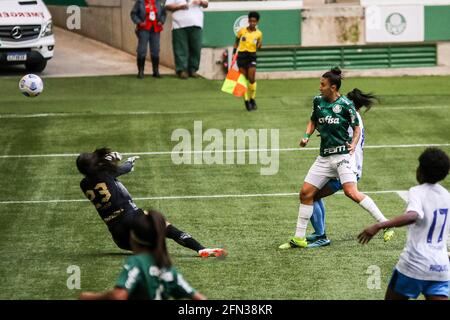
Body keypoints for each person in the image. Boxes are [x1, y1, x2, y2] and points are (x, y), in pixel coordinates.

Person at [279, 67, 394, 250]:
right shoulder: (322, 103)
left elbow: (353, 132)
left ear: (333, 87)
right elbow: (319, 121)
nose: (319, 87)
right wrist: (310, 135)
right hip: (329, 157)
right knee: (308, 194)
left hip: (346, 161)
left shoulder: (348, 111)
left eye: (322, 84)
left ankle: (324, 235)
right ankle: (307, 237)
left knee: (344, 193)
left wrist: (349, 141)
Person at [76, 147, 225, 258]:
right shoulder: (105, 173)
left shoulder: (84, 184)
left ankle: (149, 248)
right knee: (164, 225)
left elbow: (103, 175)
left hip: (118, 236)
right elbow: (126, 168)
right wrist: (127, 161)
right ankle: (200, 248)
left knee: (150, 249)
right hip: (132, 218)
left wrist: (111, 160)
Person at [358, 148, 450, 300]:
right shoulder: (447, 196)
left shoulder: (417, 191)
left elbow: (413, 216)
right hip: (440, 268)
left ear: (421, 170)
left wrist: (379, 225)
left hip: (414, 264)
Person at [80, 209, 206, 300]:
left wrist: (92, 297)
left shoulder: (137, 263)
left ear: (132, 237)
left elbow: (118, 295)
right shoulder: (167, 267)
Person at [307, 89, 378, 248]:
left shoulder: (348, 115)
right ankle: (319, 233)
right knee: (313, 196)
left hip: (344, 168)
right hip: (352, 166)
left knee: (309, 196)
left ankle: (321, 236)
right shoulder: (356, 118)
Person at [165, 0, 208, 79]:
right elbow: (167, 6)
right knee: (180, 48)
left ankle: (193, 70)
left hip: (196, 23)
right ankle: (182, 70)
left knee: (196, 48)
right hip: (179, 25)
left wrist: (200, 2)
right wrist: (179, 7)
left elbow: (206, 4)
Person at [233, 11, 263, 111]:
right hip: (241, 56)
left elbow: (259, 45)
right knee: (244, 79)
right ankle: (246, 101)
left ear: (257, 22)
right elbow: (236, 42)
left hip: (252, 56)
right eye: (251, 21)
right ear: (248, 21)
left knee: (251, 78)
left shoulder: (259, 33)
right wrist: (234, 53)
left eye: (254, 21)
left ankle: (252, 99)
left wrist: (259, 45)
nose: (252, 23)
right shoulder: (241, 31)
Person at [131, 0, 166, 79]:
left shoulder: (159, 2)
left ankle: (156, 71)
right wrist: (139, 22)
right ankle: (140, 71)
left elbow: (164, 14)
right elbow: (133, 14)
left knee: (156, 50)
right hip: (143, 28)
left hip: (156, 29)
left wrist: (161, 21)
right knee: (142, 50)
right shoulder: (140, 2)